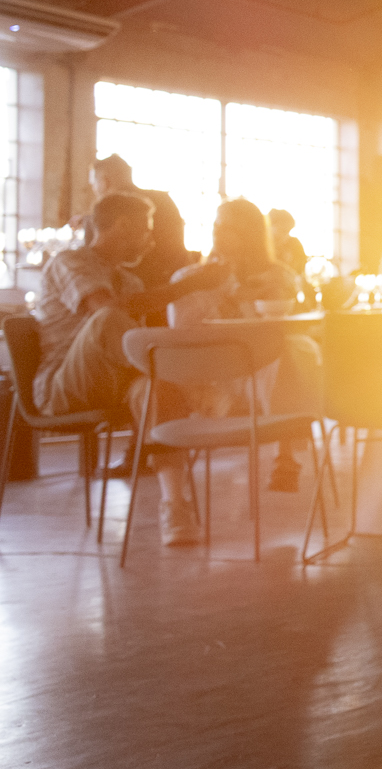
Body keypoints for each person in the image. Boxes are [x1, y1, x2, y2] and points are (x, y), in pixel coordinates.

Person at [28, 192, 229, 543]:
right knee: (109, 319)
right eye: (146, 229)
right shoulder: (69, 262)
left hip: (114, 384)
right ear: (122, 226)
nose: (151, 239)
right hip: (64, 386)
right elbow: (107, 312)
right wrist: (188, 286)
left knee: (154, 387)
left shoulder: (130, 282)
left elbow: (136, 346)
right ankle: (191, 386)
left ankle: (175, 507)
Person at [169, 198, 320, 490]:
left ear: (249, 233)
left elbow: (292, 321)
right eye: (216, 224)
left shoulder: (277, 276)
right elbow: (183, 333)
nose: (217, 231)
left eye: (228, 226)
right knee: (284, 355)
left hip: (262, 365)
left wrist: (257, 295)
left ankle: (285, 455)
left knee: (292, 351)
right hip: (212, 372)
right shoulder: (188, 279)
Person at [89, 154, 189, 295]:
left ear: (105, 181)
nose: (94, 189)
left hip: (131, 292)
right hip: (174, 284)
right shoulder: (164, 200)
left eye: (94, 184)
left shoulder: (111, 214)